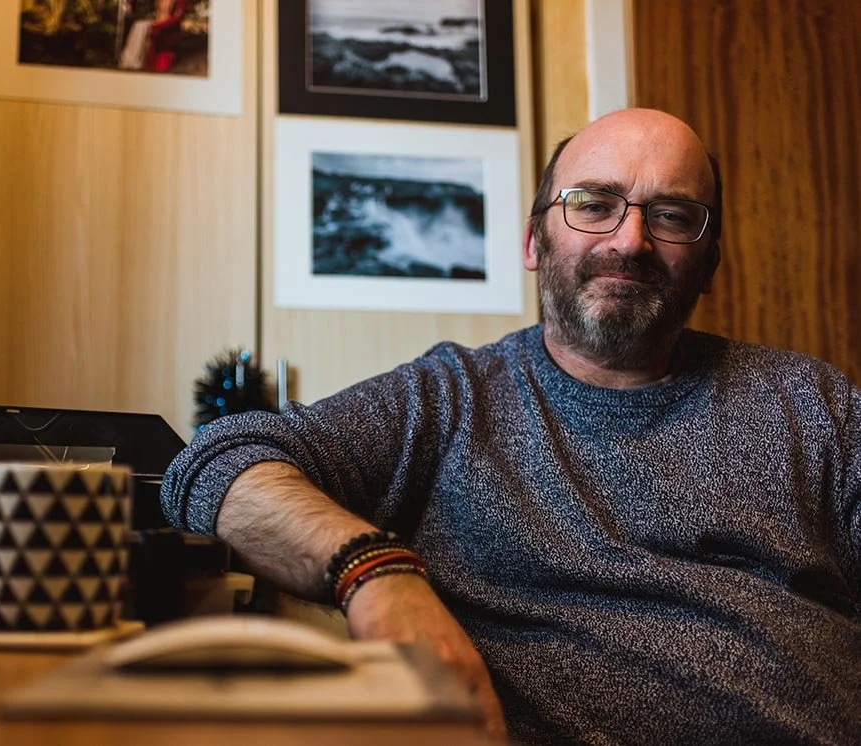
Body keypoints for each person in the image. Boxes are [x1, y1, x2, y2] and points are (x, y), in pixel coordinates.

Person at [161, 109, 861, 745]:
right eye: (594, 204)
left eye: (672, 216)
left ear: (709, 264)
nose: (631, 240)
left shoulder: (812, 403)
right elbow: (218, 461)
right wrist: (374, 572)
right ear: (533, 241)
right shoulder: (448, 399)